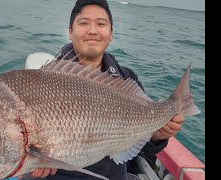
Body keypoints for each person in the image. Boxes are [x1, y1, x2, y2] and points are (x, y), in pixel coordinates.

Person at [24, 0, 185, 179]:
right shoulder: (47, 80)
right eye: (84, 23)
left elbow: (140, 149)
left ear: (111, 33)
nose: (93, 30)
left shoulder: (127, 78)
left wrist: (157, 136)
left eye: (101, 24)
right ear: (70, 32)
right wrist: (29, 168)